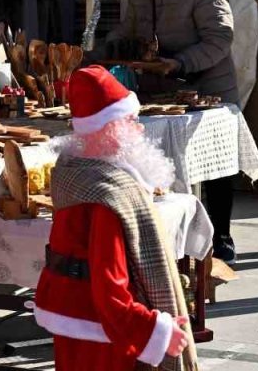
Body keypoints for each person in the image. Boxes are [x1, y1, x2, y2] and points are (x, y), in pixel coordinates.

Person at [34, 66, 198, 371]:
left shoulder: (74, 172)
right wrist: (153, 331)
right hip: (100, 330)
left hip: (75, 318)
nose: (139, 129)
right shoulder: (106, 197)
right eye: (131, 120)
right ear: (111, 129)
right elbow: (110, 290)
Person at [111, 0, 240, 264]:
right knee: (162, 166)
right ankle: (169, 239)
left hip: (210, 86)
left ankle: (222, 236)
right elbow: (130, 27)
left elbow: (221, 38)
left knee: (216, 169)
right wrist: (106, 48)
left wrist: (181, 61)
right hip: (163, 88)